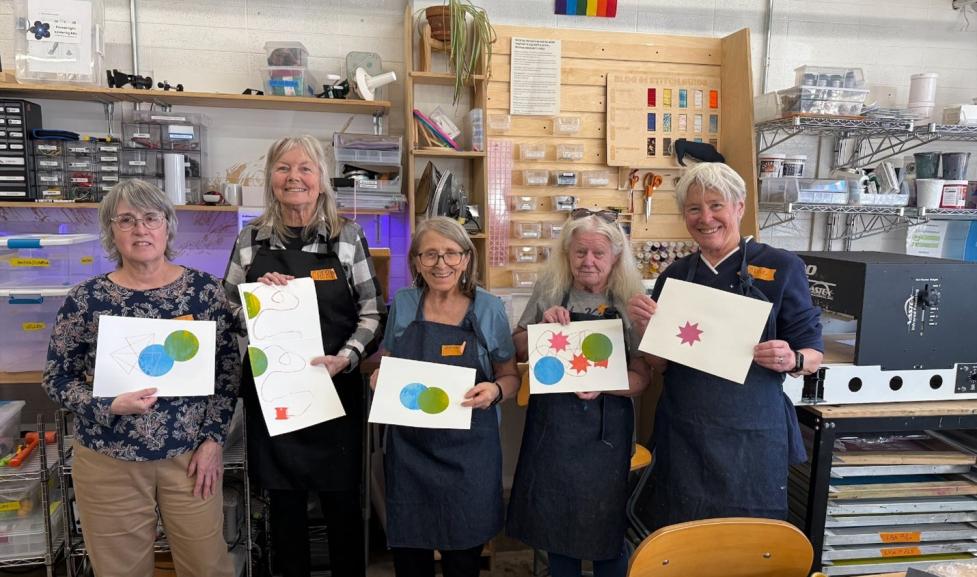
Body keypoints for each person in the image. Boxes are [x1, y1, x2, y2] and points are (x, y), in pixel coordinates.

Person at [43, 179, 239, 577]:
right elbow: (56, 377)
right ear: (112, 231)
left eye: (151, 218)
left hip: (189, 456)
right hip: (108, 459)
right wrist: (106, 405)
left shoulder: (204, 291)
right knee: (119, 570)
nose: (140, 229)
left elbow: (227, 373)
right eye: (126, 220)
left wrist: (213, 440)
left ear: (167, 226)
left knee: (208, 567)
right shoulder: (86, 299)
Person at [627, 162, 824, 532]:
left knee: (747, 540)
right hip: (685, 433)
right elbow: (661, 365)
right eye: (694, 208)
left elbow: (813, 354)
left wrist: (791, 358)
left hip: (752, 435)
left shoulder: (782, 268)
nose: (706, 218)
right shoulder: (675, 276)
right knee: (681, 538)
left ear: (739, 207)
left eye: (716, 205)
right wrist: (646, 331)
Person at [223, 135, 385, 577]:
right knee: (284, 508)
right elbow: (225, 311)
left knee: (342, 507)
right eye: (283, 168)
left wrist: (347, 357)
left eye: (305, 168)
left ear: (320, 180)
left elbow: (372, 313)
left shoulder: (347, 237)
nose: (294, 177)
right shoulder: (250, 239)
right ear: (271, 178)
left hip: (334, 390)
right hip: (275, 395)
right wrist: (258, 303)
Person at [370, 216, 519, 577]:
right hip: (410, 453)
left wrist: (495, 391)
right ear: (416, 262)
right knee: (410, 559)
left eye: (452, 254)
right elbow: (388, 364)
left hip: (468, 454)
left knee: (462, 560)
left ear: (467, 258)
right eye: (430, 255)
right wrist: (380, 378)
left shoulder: (488, 308)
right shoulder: (404, 304)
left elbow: (510, 376)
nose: (441, 264)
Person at [506, 209, 652, 577]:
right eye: (579, 252)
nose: (588, 261)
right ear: (567, 254)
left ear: (615, 256)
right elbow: (517, 347)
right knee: (558, 529)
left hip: (606, 434)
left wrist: (605, 386)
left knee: (607, 531)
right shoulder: (551, 291)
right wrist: (541, 327)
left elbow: (642, 376)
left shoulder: (629, 301)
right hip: (554, 429)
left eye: (598, 253)